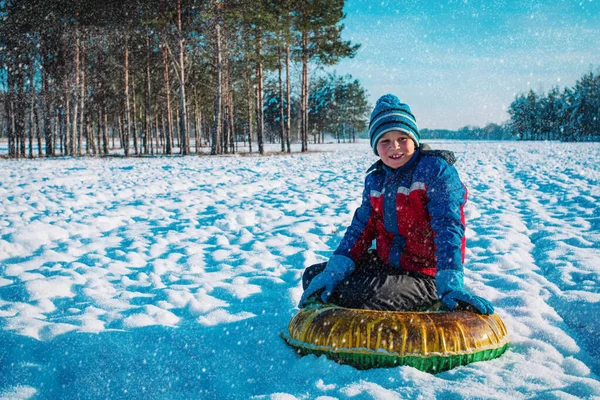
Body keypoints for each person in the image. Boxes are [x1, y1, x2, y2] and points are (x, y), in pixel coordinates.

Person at [298, 94, 494, 314]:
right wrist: (333, 271)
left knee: (358, 294)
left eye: (402, 138)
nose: (395, 147)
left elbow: (448, 228)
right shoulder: (376, 179)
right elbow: (360, 230)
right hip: (387, 263)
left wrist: (449, 283)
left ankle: (430, 300)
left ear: (414, 140)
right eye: (385, 141)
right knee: (314, 276)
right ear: (375, 146)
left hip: (425, 273)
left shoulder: (435, 171)